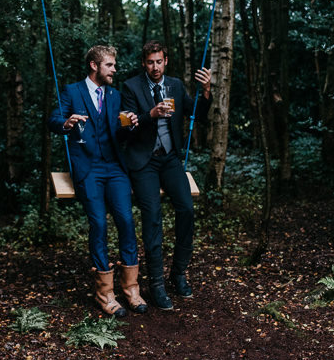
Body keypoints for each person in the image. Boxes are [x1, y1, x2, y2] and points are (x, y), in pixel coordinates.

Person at [48, 45, 147, 317]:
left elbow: (121, 133)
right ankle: (105, 294)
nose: (115, 69)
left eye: (114, 65)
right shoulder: (72, 91)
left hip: (115, 168)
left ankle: (131, 290)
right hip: (88, 169)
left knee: (126, 221)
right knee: (99, 224)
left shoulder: (115, 95)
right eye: (110, 65)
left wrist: (131, 125)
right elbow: (53, 119)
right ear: (94, 65)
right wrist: (66, 123)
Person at [121, 40, 212, 310]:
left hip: (170, 160)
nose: (155, 67)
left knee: (186, 209)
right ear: (143, 63)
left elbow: (197, 113)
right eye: (150, 62)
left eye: (159, 61)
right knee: (153, 218)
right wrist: (149, 114)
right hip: (144, 161)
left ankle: (178, 274)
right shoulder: (131, 87)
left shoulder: (174, 85)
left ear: (166, 61)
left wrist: (206, 90)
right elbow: (125, 126)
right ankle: (157, 285)